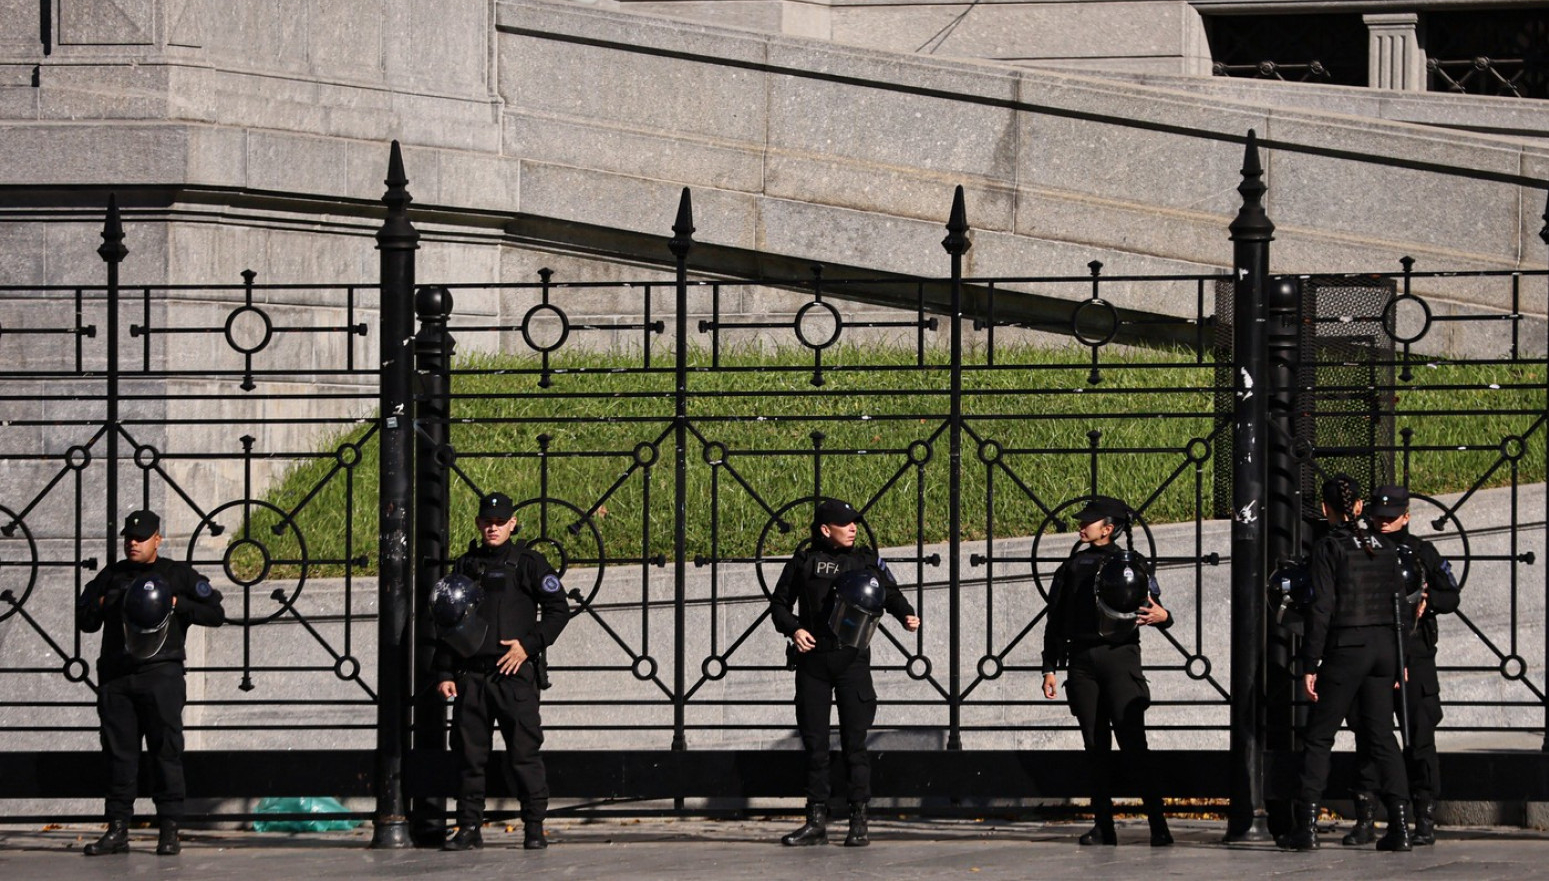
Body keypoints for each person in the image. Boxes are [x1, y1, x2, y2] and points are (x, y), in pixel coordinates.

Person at [770, 498, 920, 847]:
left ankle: (859, 821)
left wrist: (906, 614)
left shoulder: (865, 559)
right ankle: (816, 820)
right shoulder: (805, 561)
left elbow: (890, 592)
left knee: (855, 744)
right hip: (814, 663)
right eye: (845, 524)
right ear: (826, 529)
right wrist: (793, 629)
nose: (853, 528)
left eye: (855, 522)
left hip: (852, 661)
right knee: (816, 745)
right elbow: (779, 604)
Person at [75, 509, 226, 857]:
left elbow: (215, 613)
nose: (133, 543)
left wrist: (176, 603)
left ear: (158, 539)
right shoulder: (111, 575)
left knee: (166, 752)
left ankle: (169, 830)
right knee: (118, 756)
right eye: (128, 537)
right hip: (117, 677)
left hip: (161, 676)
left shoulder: (176, 574)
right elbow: (84, 619)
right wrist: (102, 603)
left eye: (141, 538)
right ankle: (117, 829)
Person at [1280, 474, 1412, 852]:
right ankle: (1401, 826)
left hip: (1347, 648)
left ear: (1325, 509)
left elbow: (1322, 609)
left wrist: (1310, 663)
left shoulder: (1329, 547)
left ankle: (1305, 826)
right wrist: (1400, 657)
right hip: (1384, 648)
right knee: (1381, 735)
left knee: (1320, 736)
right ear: (1359, 506)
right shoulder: (1384, 546)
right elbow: (1399, 605)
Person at [433, 491, 570, 851]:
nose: (493, 528)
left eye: (500, 522)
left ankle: (534, 827)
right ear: (479, 523)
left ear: (512, 524)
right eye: (487, 522)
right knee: (468, 757)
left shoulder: (529, 563)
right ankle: (468, 827)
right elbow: (448, 620)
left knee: (524, 754)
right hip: (472, 677)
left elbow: (558, 610)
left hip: (514, 677)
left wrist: (529, 646)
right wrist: (445, 672)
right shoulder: (466, 565)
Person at [1040, 496, 1173, 846]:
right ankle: (1104, 825)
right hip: (1082, 661)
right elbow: (1056, 618)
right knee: (1094, 745)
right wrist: (1050, 667)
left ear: (1109, 529)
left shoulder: (1129, 563)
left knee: (1133, 743)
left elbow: (1154, 604)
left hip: (1119, 658)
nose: (1081, 526)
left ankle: (1158, 825)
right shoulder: (1073, 565)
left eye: (1090, 521)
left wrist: (1164, 617)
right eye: (1082, 521)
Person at [1340, 484, 1461, 847]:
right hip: (1374, 655)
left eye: (1391, 517)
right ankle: (1366, 818)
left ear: (1407, 516)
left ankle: (1424, 817)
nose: (1384, 523)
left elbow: (1450, 594)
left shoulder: (1422, 552)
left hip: (1414, 653)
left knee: (1420, 736)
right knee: (1369, 737)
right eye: (1378, 516)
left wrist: (1428, 599)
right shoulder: (1359, 548)